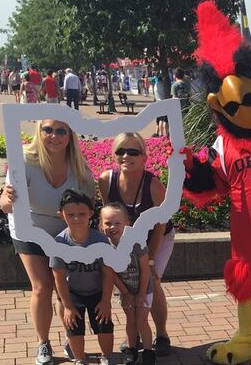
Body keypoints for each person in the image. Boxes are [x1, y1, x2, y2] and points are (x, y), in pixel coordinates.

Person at [0, 119, 95, 365]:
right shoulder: (24, 160)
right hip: (29, 228)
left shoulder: (79, 166)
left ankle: (72, 340)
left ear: (70, 135)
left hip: (64, 231)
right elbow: (5, 206)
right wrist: (8, 198)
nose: (54, 136)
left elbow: (90, 205)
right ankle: (43, 342)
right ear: (39, 131)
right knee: (42, 287)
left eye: (61, 131)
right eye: (48, 130)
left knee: (65, 290)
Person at [97, 132, 172, 356]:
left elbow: (160, 225)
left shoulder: (154, 185)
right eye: (120, 151)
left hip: (156, 236)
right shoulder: (106, 180)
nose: (126, 156)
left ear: (144, 157)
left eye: (133, 151)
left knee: (152, 281)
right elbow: (107, 214)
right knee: (128, 285)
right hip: (125, 239)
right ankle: (134, 333)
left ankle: (162, 334)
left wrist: (150, 259)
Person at [50, 189, 114, 365]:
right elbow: (59, 278)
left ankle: (107, 356)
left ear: (91, 214)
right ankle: (79, 359)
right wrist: (67, 306)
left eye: (82, 214)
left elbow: (108, 273)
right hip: (74, 292)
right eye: (71, 215)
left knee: (104, 324)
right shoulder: (59, 243)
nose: (77, 219)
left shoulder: (100, 240)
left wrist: (106, 301)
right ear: (61, 215)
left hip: (97, 291)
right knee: (73, 326)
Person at [100, 203, 155, 365]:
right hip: (125, 289)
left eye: (117, 223)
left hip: (144, 288)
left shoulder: (136, 242)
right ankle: (131, 350)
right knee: (130, 320)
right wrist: (126, 293)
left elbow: (145, 269)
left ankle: (148, 352)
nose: (113, 227)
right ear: (101, 225)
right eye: (108, 223)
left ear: (127, 223)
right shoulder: (104, 246)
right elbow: (112, 274)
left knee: (141, 320)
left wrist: (141, 294)